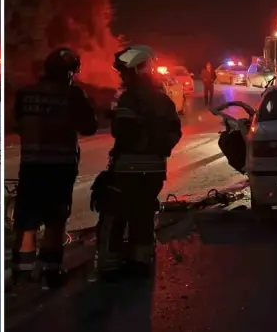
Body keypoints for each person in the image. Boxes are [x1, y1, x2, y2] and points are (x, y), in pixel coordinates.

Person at [90, 45, 182, 282]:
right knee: (143, 215)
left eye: (124, 72)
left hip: (127, 169)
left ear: (136, 70)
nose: (122, 77)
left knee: (115, 213)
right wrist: (158, 148)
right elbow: (174, 131)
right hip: (155, 170)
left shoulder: (129, 98)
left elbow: (122, 132)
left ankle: (110, 264)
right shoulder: (163, 100)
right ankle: (140, 262)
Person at [11, 48, 98, 289]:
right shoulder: (72, 94)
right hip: (60, 168)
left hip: (31, 166)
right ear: (70, 73)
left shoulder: (25, 93)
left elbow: (16, 123)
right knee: (55, 220)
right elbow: (89, 127)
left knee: (27, 220)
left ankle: (22, 274)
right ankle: (50, 274)